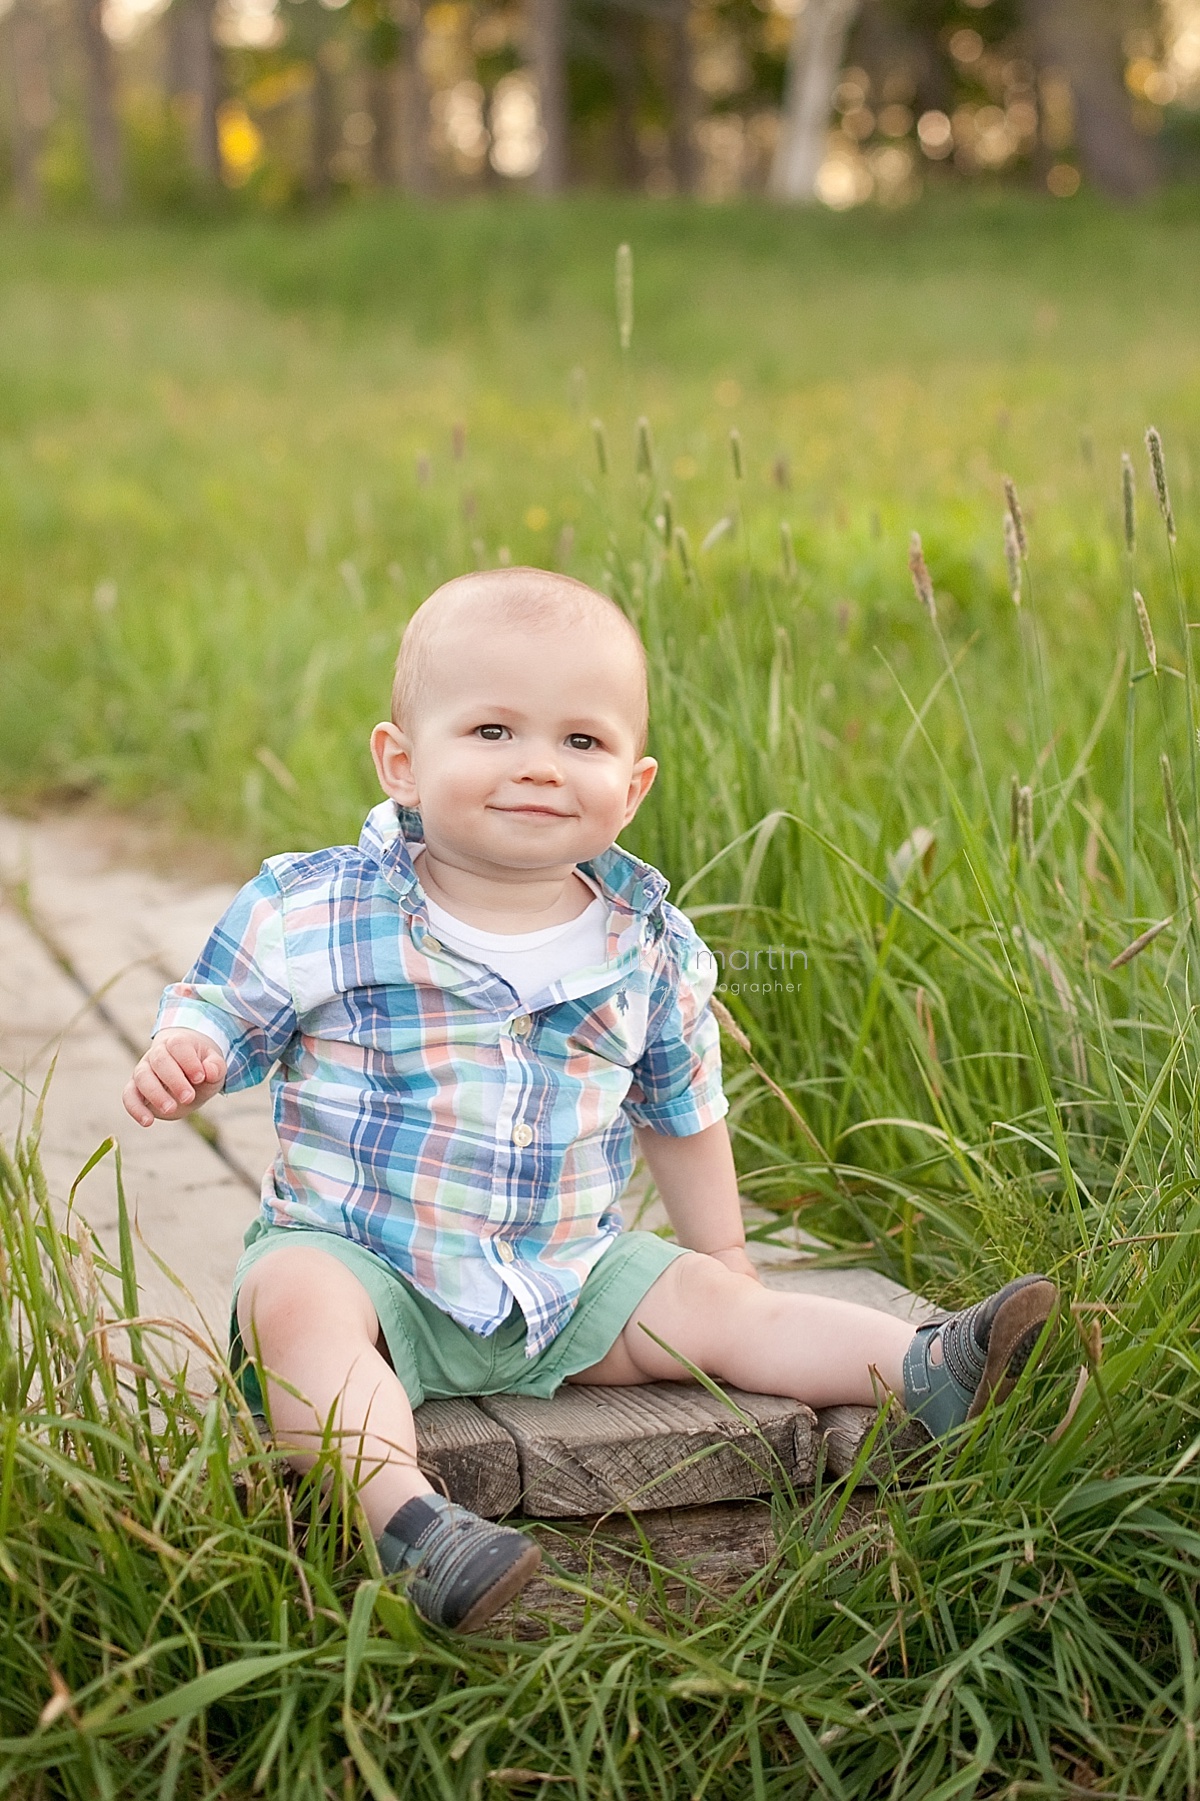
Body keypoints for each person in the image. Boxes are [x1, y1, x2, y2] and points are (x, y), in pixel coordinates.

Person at [123, 567, 1057, 1634]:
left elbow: (681, 1106)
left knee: (725, 1309)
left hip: (566, 1278)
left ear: (634, 783)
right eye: (490, 731)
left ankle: (930, 1368)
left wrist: (726, 1258)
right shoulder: (320, 906)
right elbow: (221, 1003)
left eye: (581, 741)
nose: (536, 767)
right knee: (291, 1303)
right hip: (368, 1259)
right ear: (402, 762)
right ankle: (412, 1525)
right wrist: (188, 1050)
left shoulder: (648, 940)